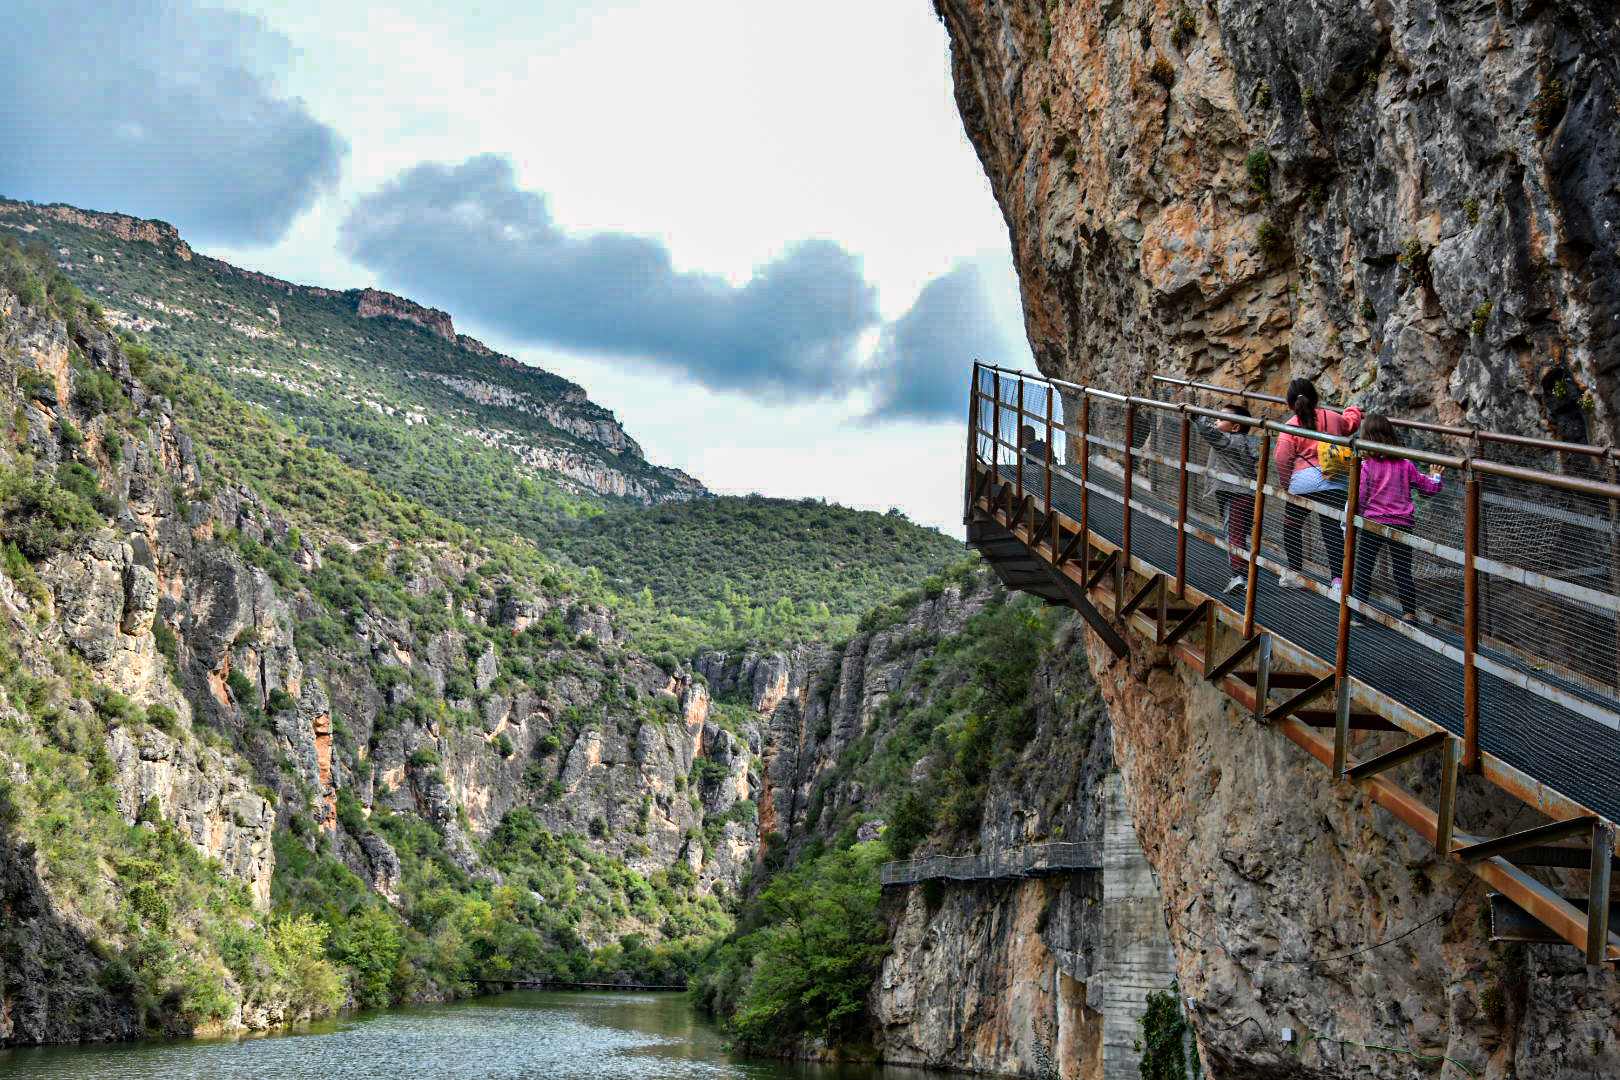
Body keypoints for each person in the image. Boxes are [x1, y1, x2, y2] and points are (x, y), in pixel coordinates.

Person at [1350, 414, 1443, 622]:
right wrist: (1436, 475)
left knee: (1364, 568)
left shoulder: (1366, 465)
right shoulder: (1406, 465)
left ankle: (1358, 613)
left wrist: (1355, 515)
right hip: (1402, 523)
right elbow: (1427, 488)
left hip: (1372, 523)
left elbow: (1361, 495)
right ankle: (1409, 612)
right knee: (1402, 570)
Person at [1273, 378, 1362, 591]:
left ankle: (1295, 573)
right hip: (1335, 481)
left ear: (1289, 403)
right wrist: (1353, 410)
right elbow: (1350, 424)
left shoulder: (1290, 426)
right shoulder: (1331, 417)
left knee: (1291, 526)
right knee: (1331, 529)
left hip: (1303, 484)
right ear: (1315, 397)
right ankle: (1338, 581)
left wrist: (1287, 486)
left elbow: (1282, 459)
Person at [1192, 405, 1258, 594]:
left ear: (1235, 427)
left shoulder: (1229, 441)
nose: (1216, 422)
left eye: (1220, 419)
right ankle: (1244, 574)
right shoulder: (1245, 442)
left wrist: (1197, 416)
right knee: (1238, 534)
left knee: (1233, 535)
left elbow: (1210, 432)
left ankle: (1240, 577)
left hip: (1235, 494)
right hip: (1245, 495)